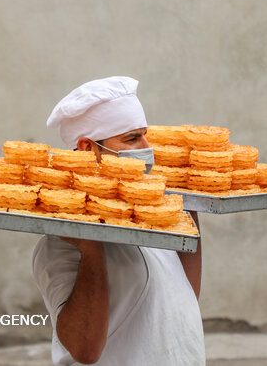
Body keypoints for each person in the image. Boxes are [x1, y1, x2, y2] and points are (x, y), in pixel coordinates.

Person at [32, 76, 205, 365]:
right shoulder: (59, 246)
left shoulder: (148, 218)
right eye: (132, 138)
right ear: (88, 148)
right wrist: (91, 246)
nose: (147, 147)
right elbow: (85, 351)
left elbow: (184, 301)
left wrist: (191, 202)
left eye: (143, 135)